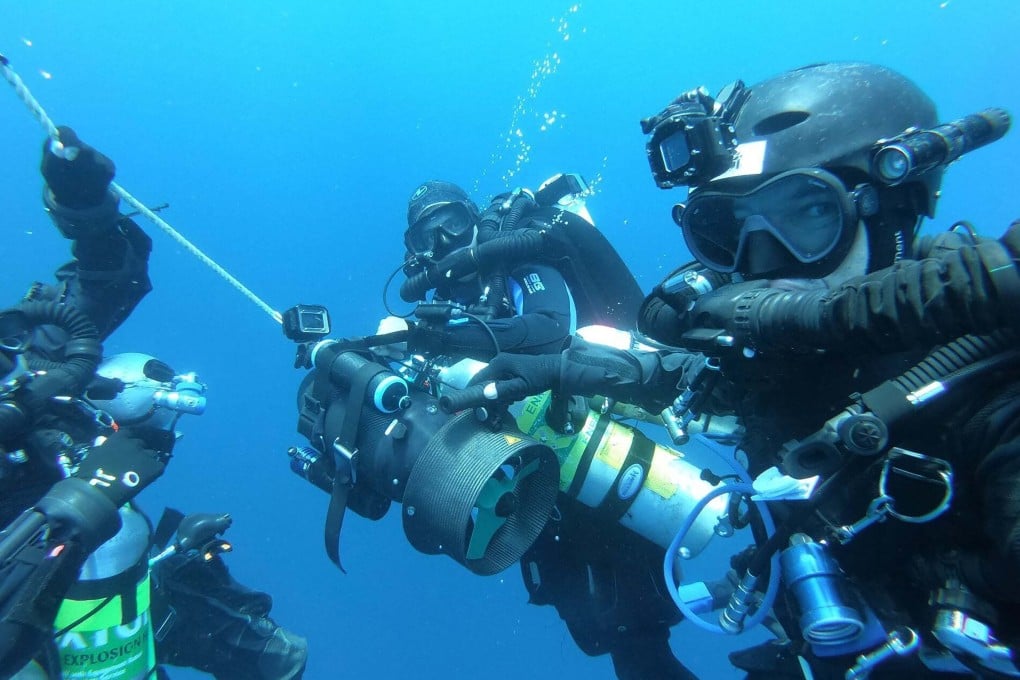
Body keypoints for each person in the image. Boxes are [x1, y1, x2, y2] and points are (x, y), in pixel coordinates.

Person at [458, 62, 1020, 678]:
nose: (761, 265)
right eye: (729, 231)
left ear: (892, 208)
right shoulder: (774, 370)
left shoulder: (992, 388)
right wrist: (599, 371)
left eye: (808, 214)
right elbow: (702, 380)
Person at [1, 127, 308, 679]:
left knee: (277, 657)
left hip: (117, 624)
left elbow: (106, 281)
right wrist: (85, 506)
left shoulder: (30, 363)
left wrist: (86, 205)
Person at [393, 178, 697, 679]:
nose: (443, 242)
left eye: (452, 222)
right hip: (526, 479)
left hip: (585, 445)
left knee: (637, 634)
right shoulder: (443, 311)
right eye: (426, 236)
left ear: (476, 219)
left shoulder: (519, 258)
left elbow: (547, 328)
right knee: (600, 630)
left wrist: (444, 336)